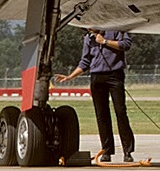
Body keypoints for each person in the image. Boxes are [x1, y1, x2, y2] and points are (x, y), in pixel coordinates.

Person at [54, 29, 135, 162]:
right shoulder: (88, 38)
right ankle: (106, 150)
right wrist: (70, 77)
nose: (89, 30)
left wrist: (105, 42)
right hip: (97, 77)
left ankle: (127, 151)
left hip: (114, 75)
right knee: (102, 115)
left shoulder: (115, 30)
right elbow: (85, 61)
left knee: (120, 112)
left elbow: (126, 45)